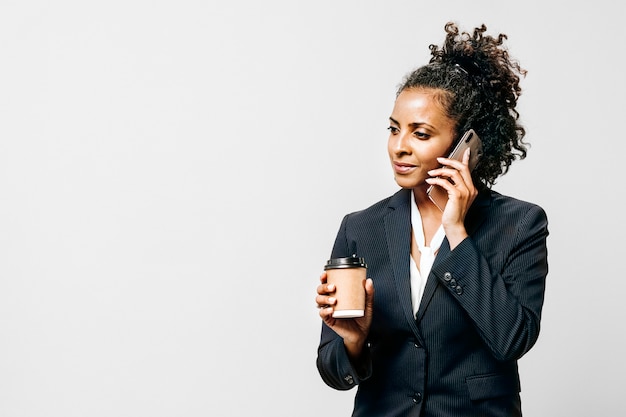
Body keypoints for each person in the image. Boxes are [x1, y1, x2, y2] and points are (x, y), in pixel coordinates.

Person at [315, 22, 549, 417]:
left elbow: (512, 339)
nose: (399, 147)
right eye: (394, 130)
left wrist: (457, 232)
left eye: (420, 134)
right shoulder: (360, 228)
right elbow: (333, 371)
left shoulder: (520, 224)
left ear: (466, 145)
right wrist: (353, 342)